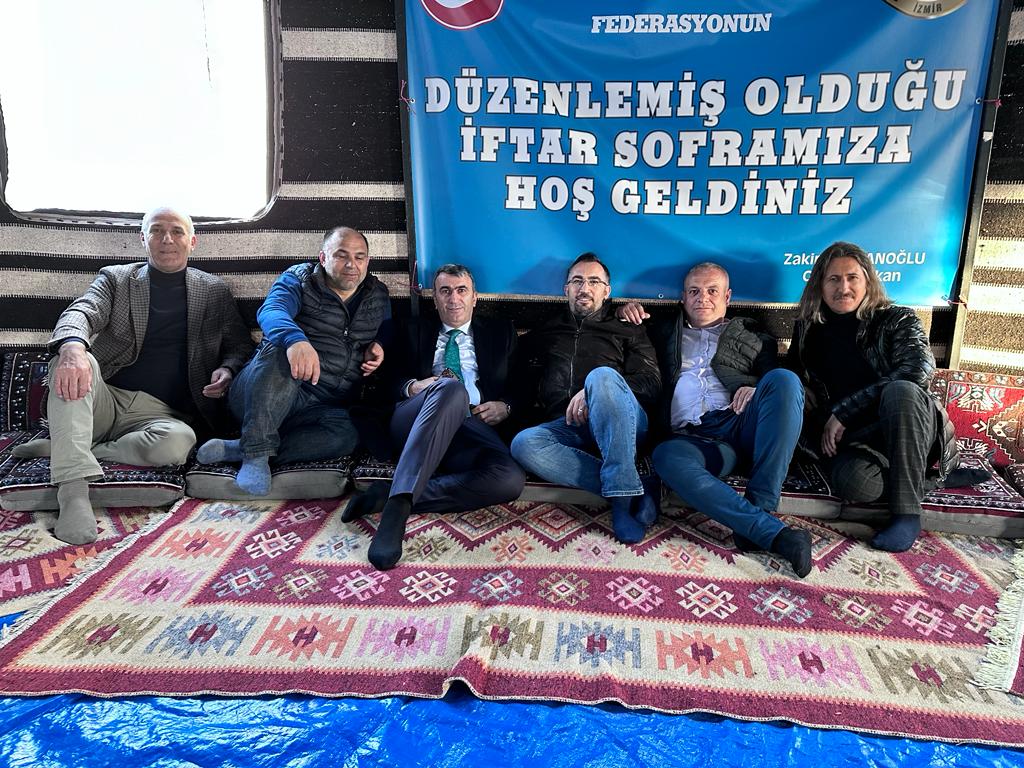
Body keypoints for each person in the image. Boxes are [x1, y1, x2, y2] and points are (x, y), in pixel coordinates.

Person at [13, 206, 254, 545]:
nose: (167, 239)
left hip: (162, 416)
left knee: (178, 445)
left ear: (192, 241)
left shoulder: (213, 290)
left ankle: (72, 447)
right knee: (71, 361)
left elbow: (239, 345)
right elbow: (82, 311)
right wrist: (72, 347)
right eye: (156, 230)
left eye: (177, 231)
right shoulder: (117, 279)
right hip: (104, 399)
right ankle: (73, 491)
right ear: (143, 238)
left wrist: (227, 369)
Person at [619, 263, 811, 577]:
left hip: (738, 425)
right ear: (683, 297)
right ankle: (771, 533)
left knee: (785, 380)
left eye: (712, 291)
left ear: (728, 296)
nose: (702, 298)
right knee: (666, 457)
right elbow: (621, 336)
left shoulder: (754, 336)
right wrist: (622, 312)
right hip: (692, 439)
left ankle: (761, 506)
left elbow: (773, 385)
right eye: (694, 291)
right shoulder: (661, 331)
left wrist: (754, 386)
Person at [344, 264, 526, 570]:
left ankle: (387, 494)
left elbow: (524, 383)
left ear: (475, 297)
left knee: (509, 480)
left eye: (461, 290)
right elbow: (383, 379)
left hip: (472, 426)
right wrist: (412, 387)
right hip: (416, 419)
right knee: (451, 389)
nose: (453, 299)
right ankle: (396, 511)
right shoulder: (410, 329)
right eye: (445, 291)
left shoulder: (501, 332)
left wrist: (505, 406)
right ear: (435, 298)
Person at [786, 241, 959, 552]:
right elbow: (792, 369)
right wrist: (801, 384)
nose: (844, 288)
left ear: (868, 280)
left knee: (900, 390)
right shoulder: (807, 328)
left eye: (852, 277)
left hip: (906, 423)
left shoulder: (898, 319)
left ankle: (907, 514)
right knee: (855, 484)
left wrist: (845, 411)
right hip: (859, 441)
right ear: (819, 285)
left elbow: (916, 372)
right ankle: (914, 478)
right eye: (833, 279)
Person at [196, 226, 388, 495]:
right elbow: (271, 310)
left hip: (319, 405)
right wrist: (295, 340)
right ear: (323, 258)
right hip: (262, 392)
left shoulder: (377, 294)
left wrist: (381, 344)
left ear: (368, 260)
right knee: (280, 349)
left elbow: (389, 327)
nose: (351, 264)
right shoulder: (299, 279)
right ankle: (256, 456)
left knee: (349, 433)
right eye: (341, 255)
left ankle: (242, 448)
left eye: (359, 257)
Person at [510, 253, 661, 544]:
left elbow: (651, 384)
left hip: (624, 424)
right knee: (524, 444)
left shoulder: (628, 327)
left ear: (607, 291)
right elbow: (522, 380)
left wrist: (594, 390)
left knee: (602, 375)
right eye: (577, 281)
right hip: (568, 426)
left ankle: (620, 501)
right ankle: (635, 485)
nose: (585, 288)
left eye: (594, 281)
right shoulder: (546, 331)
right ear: (566, 289)